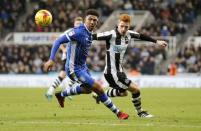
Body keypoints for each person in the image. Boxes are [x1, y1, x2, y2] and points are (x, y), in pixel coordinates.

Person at [44, 9, 129, 120]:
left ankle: (61, 95)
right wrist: (51, 59)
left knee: (88, 90)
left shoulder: (90, 33)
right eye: (90, 19)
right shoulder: (78, 32)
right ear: (85, 20)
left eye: (95, 20)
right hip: (73, 69)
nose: (93, 22)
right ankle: (118, 113)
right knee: (98, 88)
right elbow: (58, 41)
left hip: (83, 67)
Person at [92, 13, 167, 118]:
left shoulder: (129, 34)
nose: (123, 29)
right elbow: (93, 36)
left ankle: (99, 95)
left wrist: (157, 41)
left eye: (126, 27)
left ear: (129, 26)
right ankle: (140, 113)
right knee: (136, 89)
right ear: (118, 24)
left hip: (119, 71)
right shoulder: (111, 34)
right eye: (122, 26)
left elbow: (142, 36)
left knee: (123, 93)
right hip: (112, 72)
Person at [45, 17, 83, 101]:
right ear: (74, 24)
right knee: (70, 74)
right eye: (77, 24)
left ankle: (52, 91)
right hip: (68, 57)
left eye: (80, 24)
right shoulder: (70, 32)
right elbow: (56, 39)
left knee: (67, 75)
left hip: (77, 58)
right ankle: (60, 91)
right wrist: (63, 49)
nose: (78, 25)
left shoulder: (82, 32)